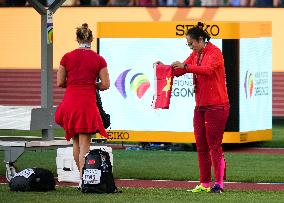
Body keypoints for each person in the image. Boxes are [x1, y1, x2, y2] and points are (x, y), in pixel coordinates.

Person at [156, 22, 230, 193]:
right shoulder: (196, 54)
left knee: (214, 146)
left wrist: (186, 67)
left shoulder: (215, 52)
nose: (190, 47)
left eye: (191, 43)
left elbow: (208, 70)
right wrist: (165, 67)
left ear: (201, 39)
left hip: (217, 106)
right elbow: (180, 70)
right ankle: (204, 184)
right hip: (201, 106)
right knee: (201, 146)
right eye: (188, 44)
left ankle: (219, 184)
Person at [55, 23, 110, 188]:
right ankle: (83, 180)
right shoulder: (98, 59)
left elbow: (59, 82)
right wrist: (91, 85)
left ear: (77, 39)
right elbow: (106, 84)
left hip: (70, 102)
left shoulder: (67, 57)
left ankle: (82, 178)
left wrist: (74, 84)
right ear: (91, 39)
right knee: (85, 145)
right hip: (86, 103)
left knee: (76, 143)